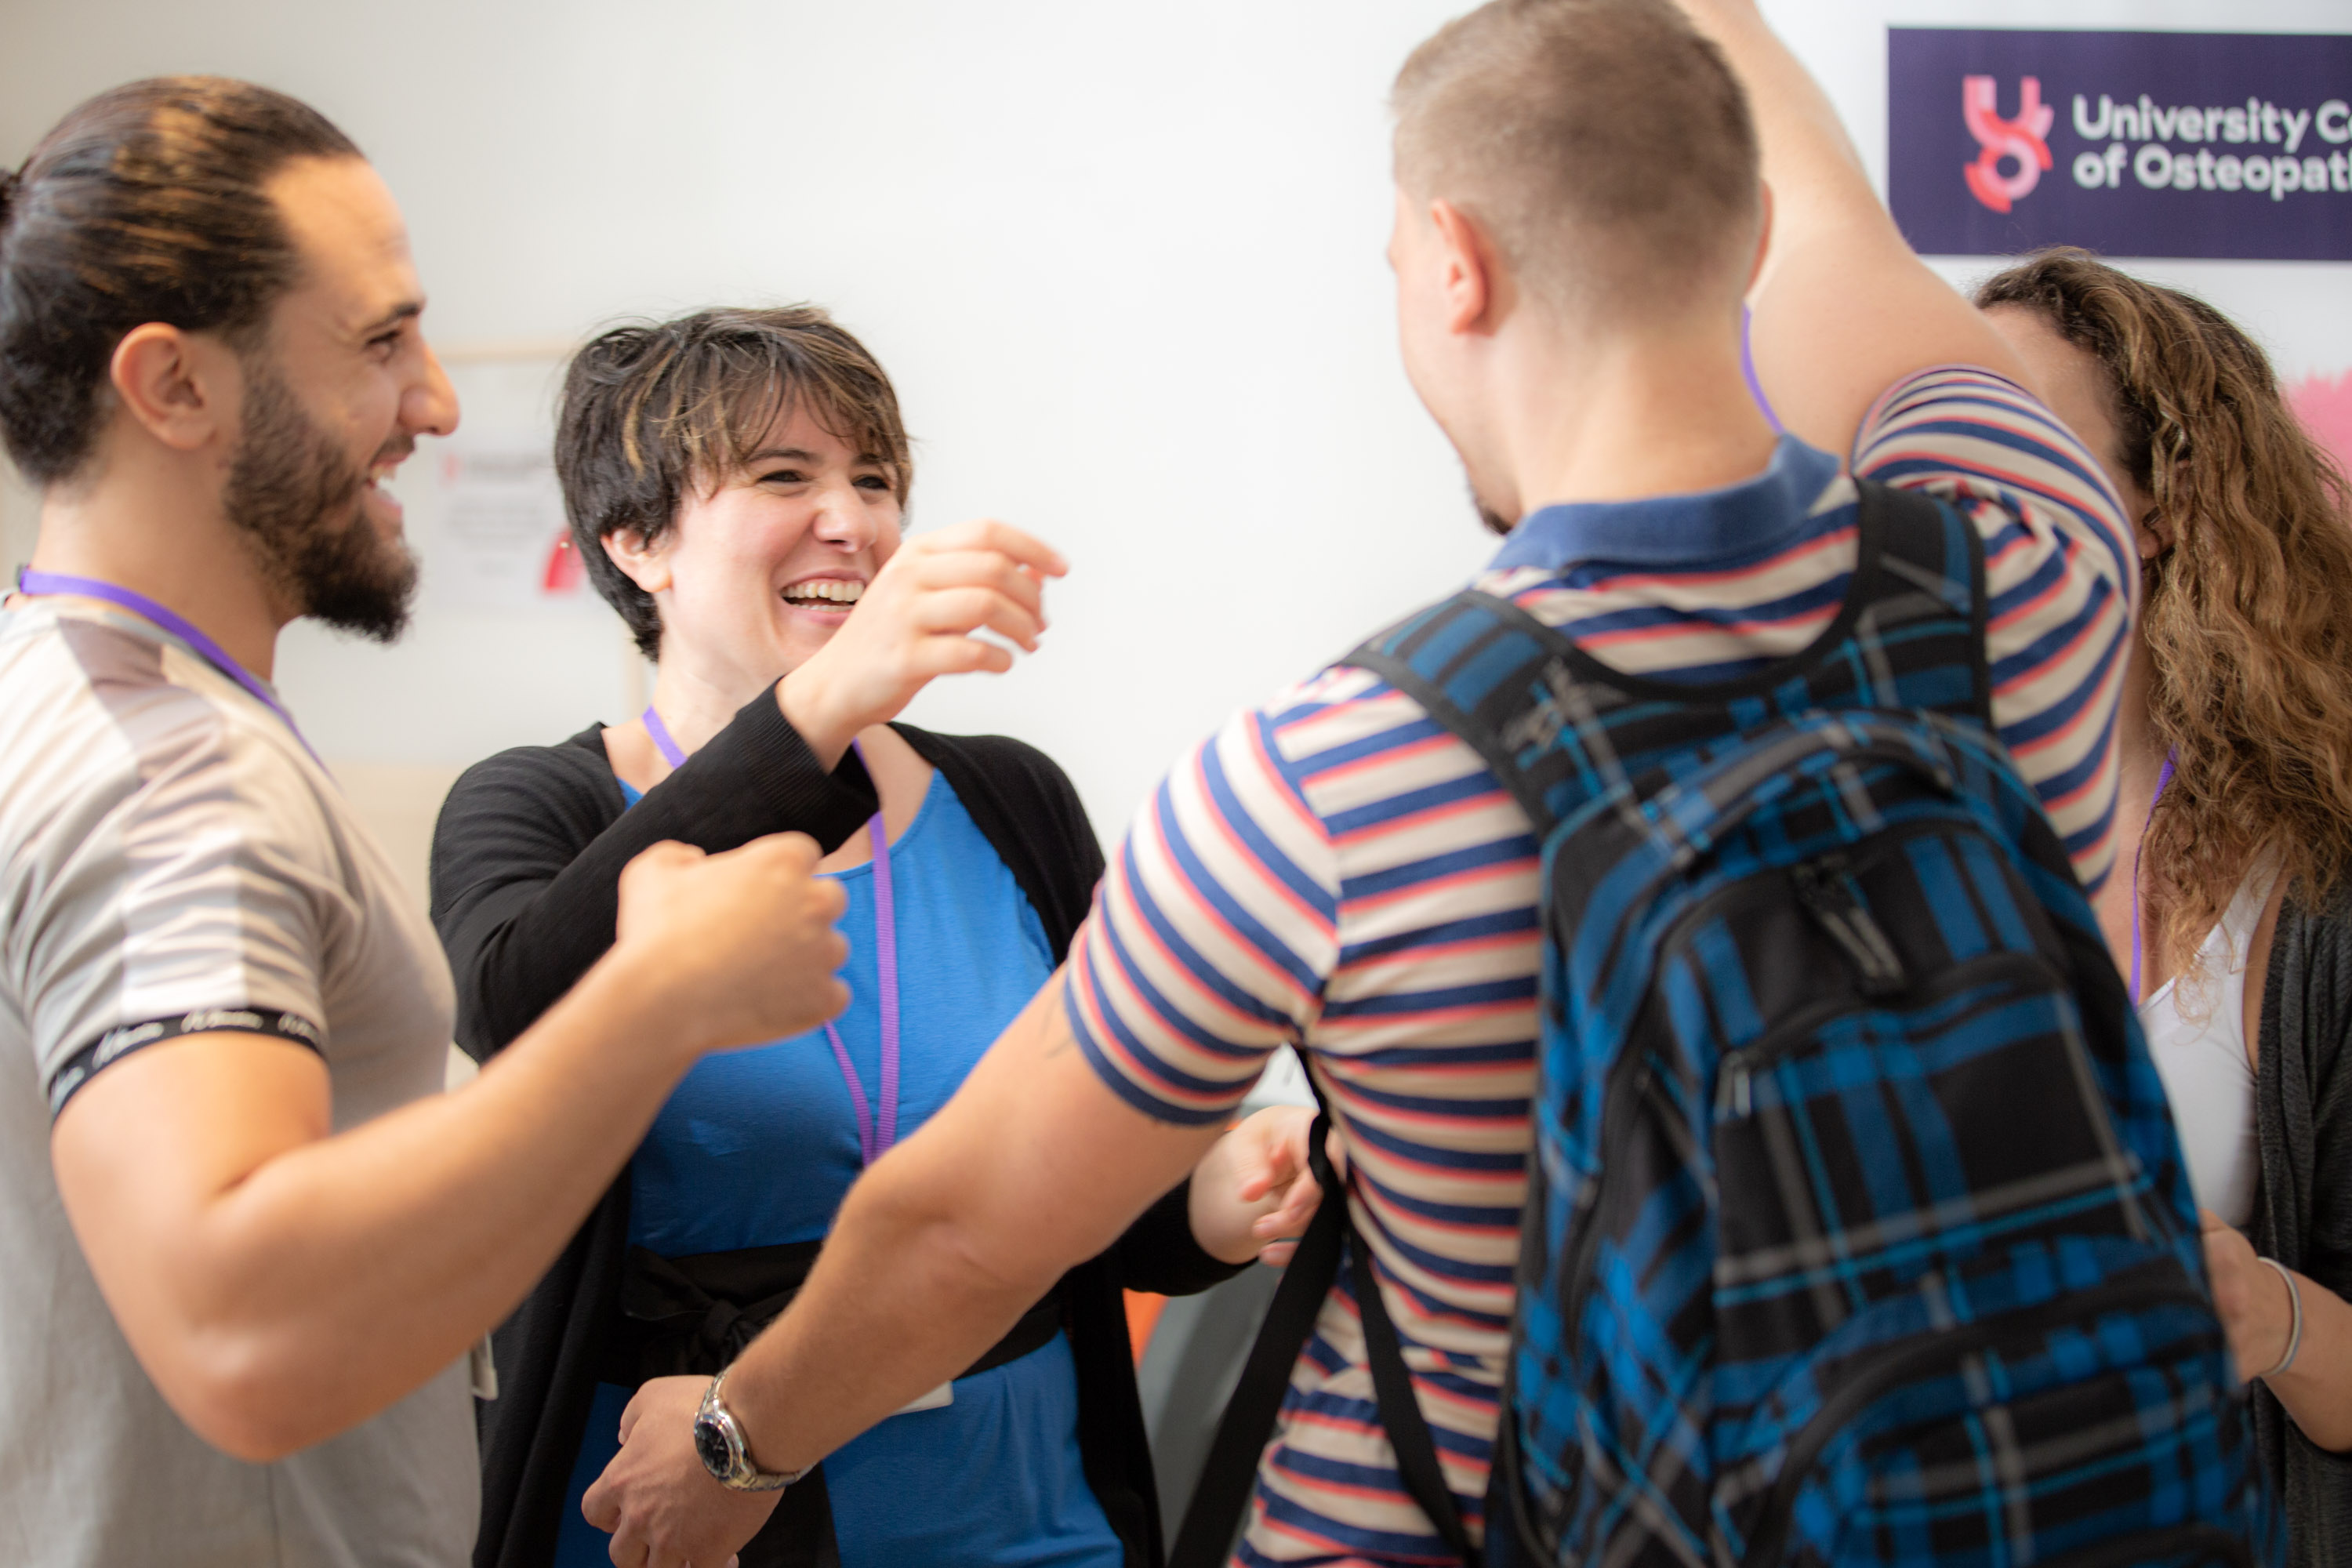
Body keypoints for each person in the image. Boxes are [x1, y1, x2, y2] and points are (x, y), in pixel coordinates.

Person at [577, 0, 2140, 1562]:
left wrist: (737, 1437)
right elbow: (1850, 256)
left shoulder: (1330, 776)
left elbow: (968, 1228)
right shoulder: (2029, 560)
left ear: (1455, 264)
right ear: (1742, 242)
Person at [0, 79, 851, 1568]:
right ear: (174, 386)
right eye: (381, 341)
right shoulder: (170, 780)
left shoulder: (55, 687)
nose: (440, 401)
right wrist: (656, 1001)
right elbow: (247, 1331)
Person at [429, 306, 1325, 1568]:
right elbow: (518, 1006)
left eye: (875, 479)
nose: (851, 520)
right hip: (669, 1521)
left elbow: (1091, 1199)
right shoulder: (540, 806)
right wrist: (823, 701)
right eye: (784, 477)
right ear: (635, 542)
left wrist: (1227, 1189)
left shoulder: (1010, 802)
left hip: (1024, 1522)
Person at [1980, 249, 2352, 1567]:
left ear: (2160, 506)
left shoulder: (2316, 886)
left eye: (2016, 437)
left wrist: (2266, 1311)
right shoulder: (1880, 837)